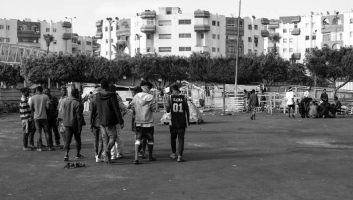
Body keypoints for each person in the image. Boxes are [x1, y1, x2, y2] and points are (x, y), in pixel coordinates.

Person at [96, 80, 124, 164]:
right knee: (113, 137)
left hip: (101, 120)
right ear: (108, 86)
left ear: (101, 86)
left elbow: (98, 108)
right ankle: (107, 150)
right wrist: (120, 120)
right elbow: (116, 109)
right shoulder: (112, 95)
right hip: (110, 120)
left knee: (105, 139)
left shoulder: (98, 95)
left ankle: (107, 159)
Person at [130, 81, 157, 164]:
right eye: (150, 88)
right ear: (147, 88)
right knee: (150, 140)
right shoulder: (151, 97)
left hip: (138, 122)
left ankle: (136, 158)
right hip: (149, 123)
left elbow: (131, 106)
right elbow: (153, 109)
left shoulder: (136, 96)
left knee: (138, 140)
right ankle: (150, 156)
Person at [166, 84, 189, 162]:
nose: (171, 93)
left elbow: (168, 110)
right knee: (181, 139)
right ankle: (180, 156)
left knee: (173, 138)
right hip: (182, 121)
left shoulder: (170, 98)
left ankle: (173, 153)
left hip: (173, 122)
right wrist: (187, 122)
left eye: (171, 91)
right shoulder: (184, 97)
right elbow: (187, 109)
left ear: (173, 90)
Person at [62, 88, 84, 161]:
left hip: (67, 123)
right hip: (75, 124)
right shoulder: (77, 103)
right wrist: (80, 127)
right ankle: (78, 154)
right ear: (77, 94)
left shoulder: (65, 101)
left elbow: (62, 111)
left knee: (68, 140)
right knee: (77, 139)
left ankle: (66, 155)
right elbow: (79, 117)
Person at [29, 86, 53, 151]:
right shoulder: (46, 96)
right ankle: (49, 147)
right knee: (47, 132)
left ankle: (39, 148)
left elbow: (31, 108)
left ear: (36, 90)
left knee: (38, 132)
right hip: (44, 117)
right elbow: (48, 107)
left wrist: (35, 110)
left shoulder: (33, 97)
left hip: (36, 117)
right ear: (42, 90)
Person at [109, 84, 128, 160]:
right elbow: (124, 108)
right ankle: (119, 153)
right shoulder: (117, 97)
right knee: (117, 137)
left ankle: (112, 154)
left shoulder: (104, 97)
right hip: (116, 120)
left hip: (107, 121)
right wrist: (121, 116)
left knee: (110, 137)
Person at [90, 86, 104, 163]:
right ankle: (98, 156)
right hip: (102, 123)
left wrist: (90, 124)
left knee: (96, 140)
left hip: (95, 123)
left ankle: (96, 155)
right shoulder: (103, 101)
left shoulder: (93, 102)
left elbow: (91, 115)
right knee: (101, 141)